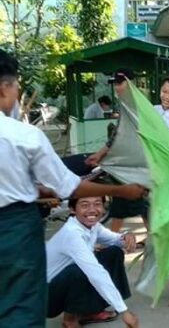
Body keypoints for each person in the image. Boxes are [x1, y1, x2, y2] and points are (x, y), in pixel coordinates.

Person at [0, 52, 145, 327]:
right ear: (4, 88)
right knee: (21, 306)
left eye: (97, 204)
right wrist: (123, 191)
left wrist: (126, 237)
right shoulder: (23, 135)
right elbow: (69, 186)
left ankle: (86, 309)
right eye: (16, 86)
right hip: (15, 228)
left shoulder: (136, 107)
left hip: (20, 219)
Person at [47, 196, 139, 327]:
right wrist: (124, 311)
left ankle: (89, 310)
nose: (92, 210)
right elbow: (96, 273)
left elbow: (115, 239)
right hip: (47, 298)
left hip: (61, 284)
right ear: (73, 209)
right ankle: (70, 320)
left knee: (113, 253)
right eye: (84, 205)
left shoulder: (93, 226)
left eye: (97, 204)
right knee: (83, 270)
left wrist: (127, 236)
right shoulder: (72, 233)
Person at [85, 68, 149, 237]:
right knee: (137, 202)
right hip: (131, 163)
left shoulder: (136, 104)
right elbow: (119, 135)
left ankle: (109, 239)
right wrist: (101, 153)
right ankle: (152, 238)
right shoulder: (128, 103)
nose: (117, 87)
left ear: (130, 83)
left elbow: (124, 135)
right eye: (115, 84)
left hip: (134, 163)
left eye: (120, 83)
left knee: (126, 201)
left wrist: (102, 154)